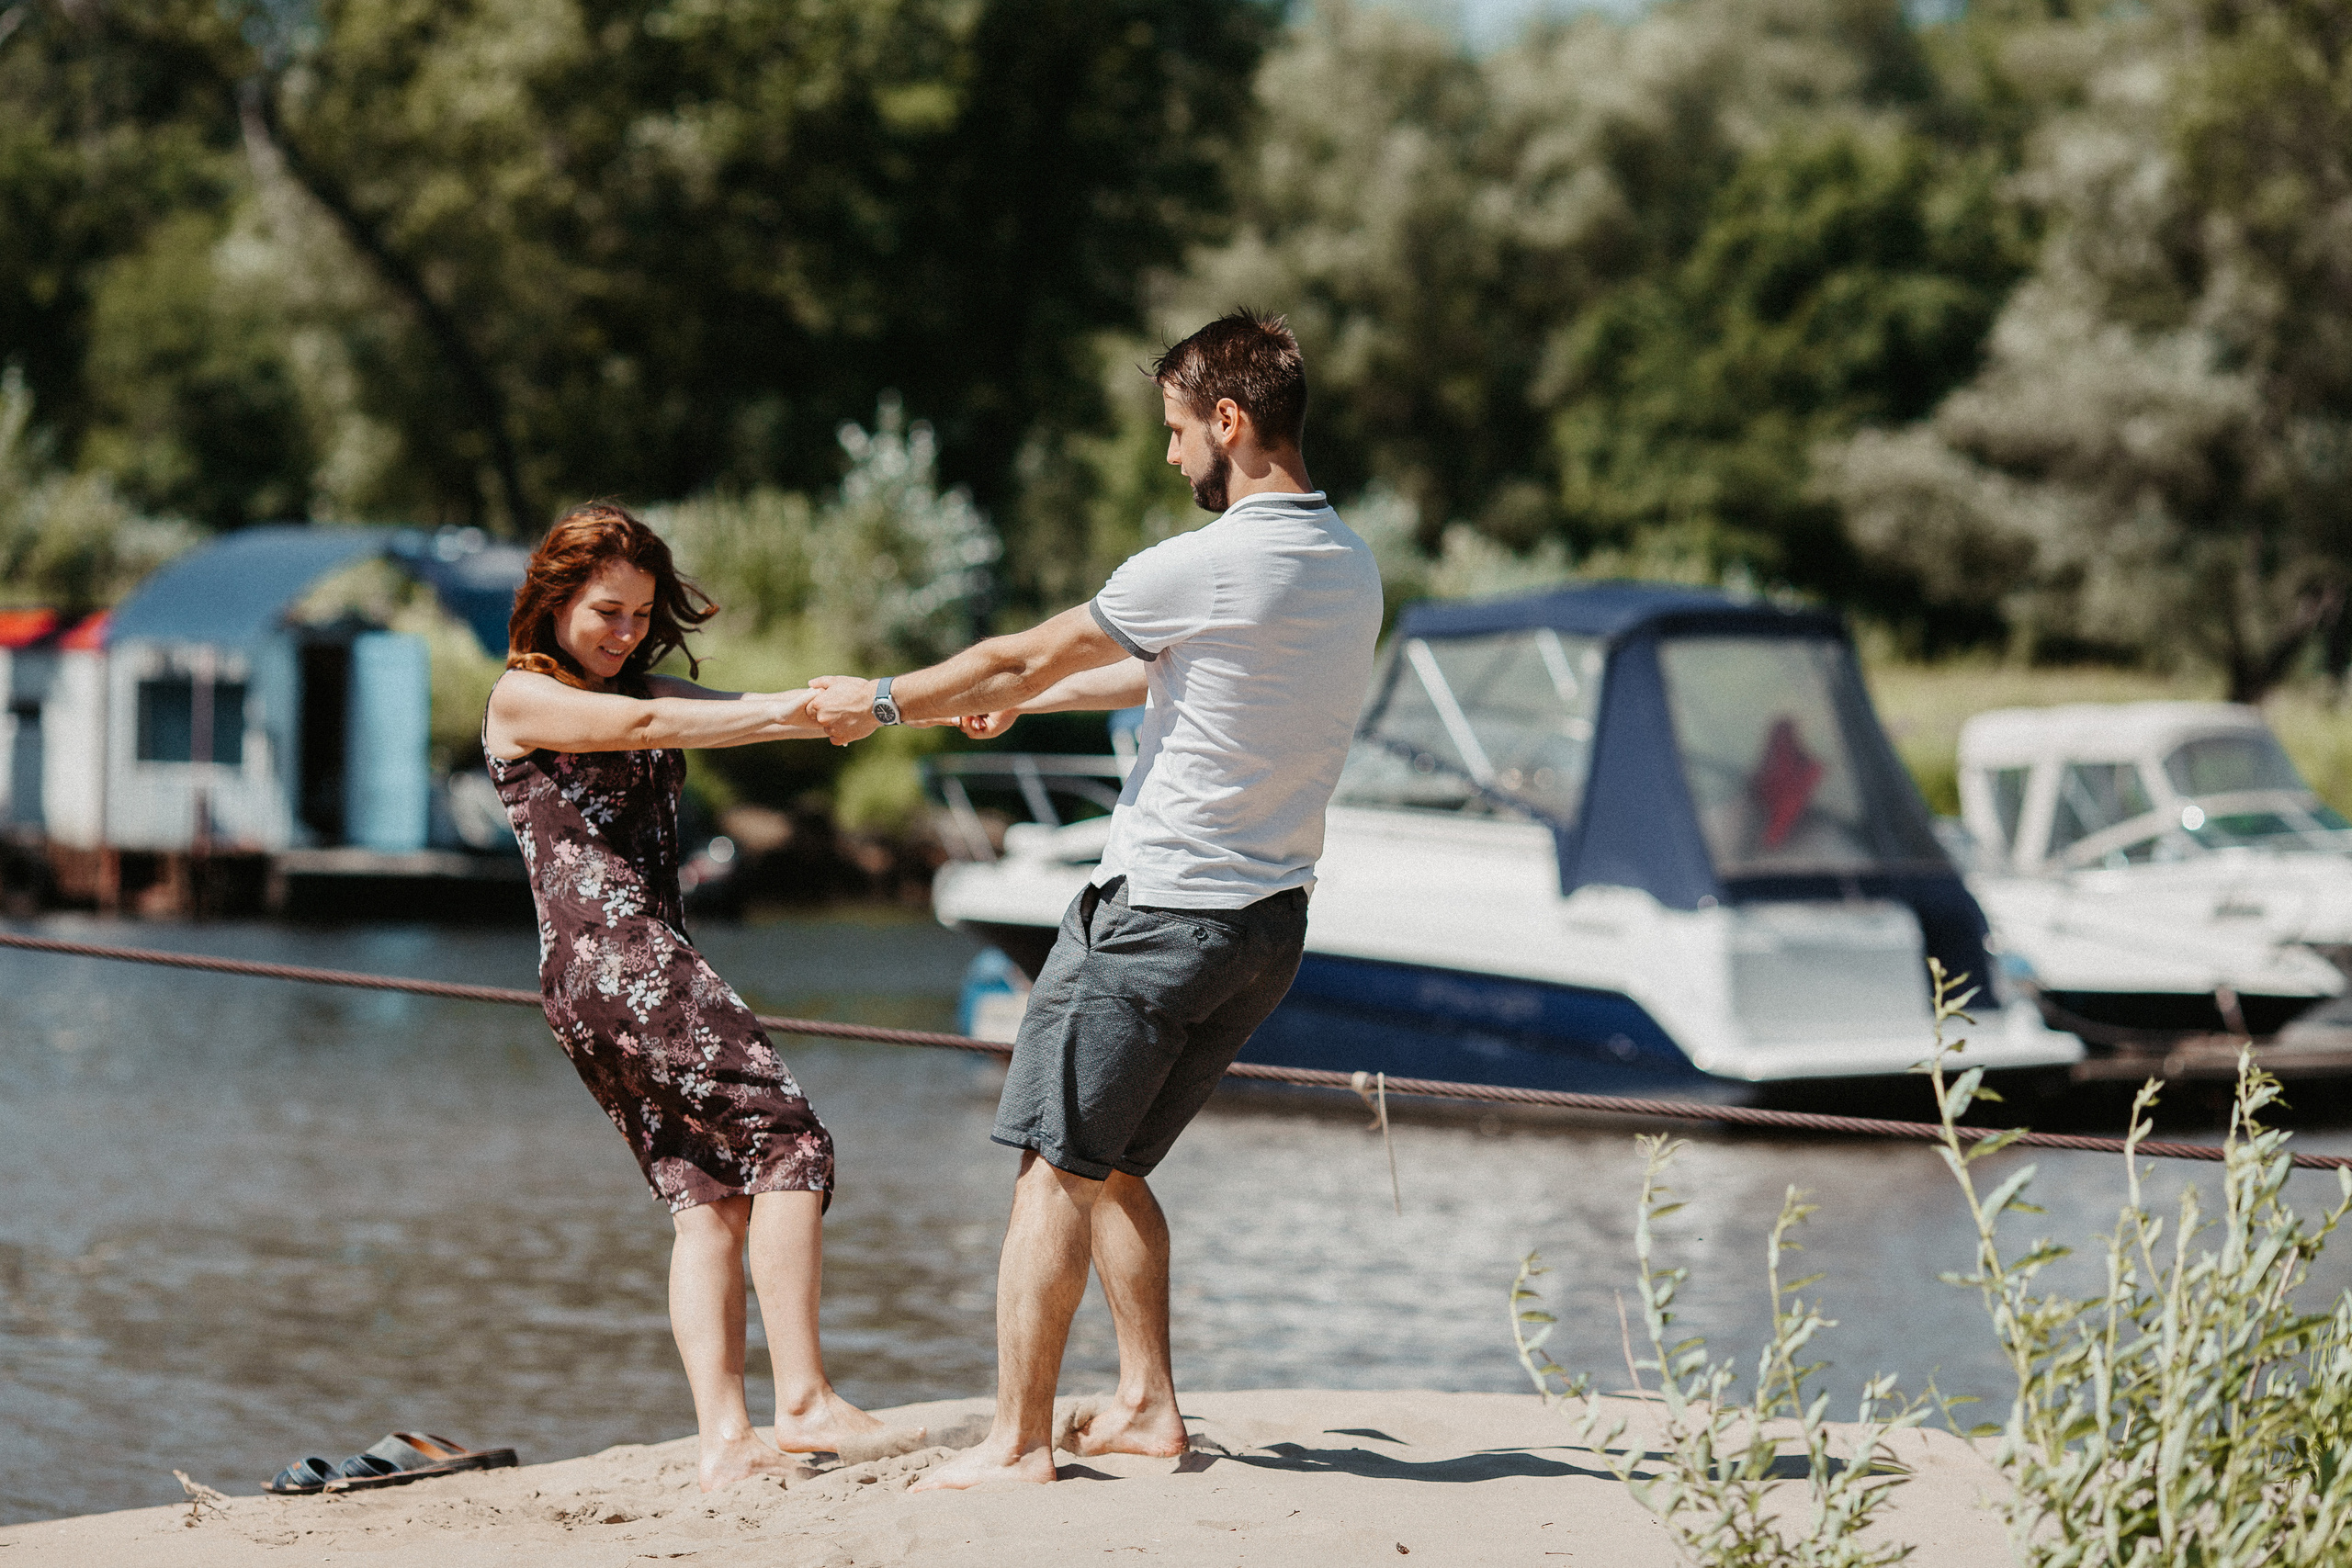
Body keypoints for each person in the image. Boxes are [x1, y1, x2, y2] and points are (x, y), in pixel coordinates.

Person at [807, 310, 1383, 1488]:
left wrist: (875, 700)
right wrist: (1030, 702)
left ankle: (1016, 1444)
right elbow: (1164, 664)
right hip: (1264, 930)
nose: (1172, 459)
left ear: (1229, 421)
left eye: (1177, 432)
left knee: (1051, 1171)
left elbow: (1021, 650)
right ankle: (1145, 1409)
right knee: (1115, 1164)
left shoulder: (1203, 559)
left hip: (1157, 920)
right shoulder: (1343, 561)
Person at [484, 502, 907, 1492]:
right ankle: (803, 1401)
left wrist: (896, 705)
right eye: (605, 612)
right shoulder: (519, 698)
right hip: (621, 961)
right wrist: (764, 715)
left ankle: (727, 1439)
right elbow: (647, 724)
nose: (625, 634)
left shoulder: (635, 681)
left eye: (639, 614)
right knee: (791, 1142)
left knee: (707, 1195)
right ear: (551, 603)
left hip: (595, 979)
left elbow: (767, 706)